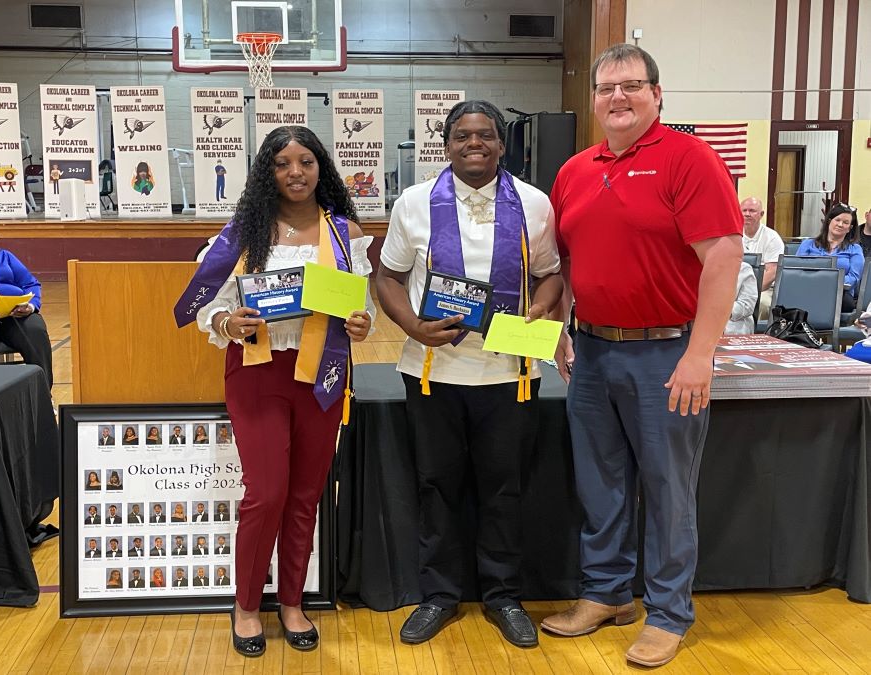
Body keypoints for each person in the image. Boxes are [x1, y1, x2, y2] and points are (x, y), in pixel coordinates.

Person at [540, 44, 743, 668]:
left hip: (666, 353)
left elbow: (724, 255)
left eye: (632, 85)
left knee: (668, 489)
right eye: (606, 88)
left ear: (658, 94)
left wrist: (699, 353)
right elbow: (569, 258)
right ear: (594, 99)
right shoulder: (575, 170)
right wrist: (562, 325)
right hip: (594, 352)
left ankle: (669, 612)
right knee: (600, 485)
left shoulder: (690, 160)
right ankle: (606, 594)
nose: (618, 97)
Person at [179, 125, 374, 658]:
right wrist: (226, 323)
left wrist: (361, 324)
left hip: (322, 374)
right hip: (258, 372)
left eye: (306, 162)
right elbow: (207, 307)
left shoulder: (343, 233)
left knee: (306, 495)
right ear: (267, 171)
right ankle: (245, 605)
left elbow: (363, 306)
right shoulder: (242, 233)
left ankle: (292, 601)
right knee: (266, 494)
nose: (295, 173)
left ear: (321, 168)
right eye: (282, 163)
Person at [376, 100, 562, 649]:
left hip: (510, 373)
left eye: (484, 135)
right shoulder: (413, 203)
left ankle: (503, 595)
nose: (473, 144)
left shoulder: (534, 203)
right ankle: (439, 595)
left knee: (505, 491)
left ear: (503, 145)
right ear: (446, 144)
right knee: (437, 488)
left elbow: (550, 276)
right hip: (434, 372)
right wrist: (411, 325)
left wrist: (539, 310)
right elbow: (387, 277)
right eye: (461, 136)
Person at [0, 209, 53, 387]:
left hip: (13, 313)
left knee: (35, 330)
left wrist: (30, 306)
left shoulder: (4, 256)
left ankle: (43, 395)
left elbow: (31, 284)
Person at [796, 203, 864, 312]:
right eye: (837, 220)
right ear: (829, 221)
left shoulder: (855, 249)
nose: (840, 224)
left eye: (845, 222)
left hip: (840, 294)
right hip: (808, 289)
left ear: (849, 228)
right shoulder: (807, 244)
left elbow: (853, 278)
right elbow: (796, 271)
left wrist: (827, 281)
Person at [740, 197, 784, 320]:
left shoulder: (772, 238)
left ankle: (754, 337)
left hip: (764, 289)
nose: (747, 214)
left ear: (761, 214)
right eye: (744, 210)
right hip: (737, 287)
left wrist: (750, 292)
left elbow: (772, 272)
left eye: (752, 211)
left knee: (762, 304)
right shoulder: (733, 235)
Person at [725, 262, 759, 335]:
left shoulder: (743, 268)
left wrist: (719, 311)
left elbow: (747, 306)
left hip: (733, 321)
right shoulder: (698, 268)